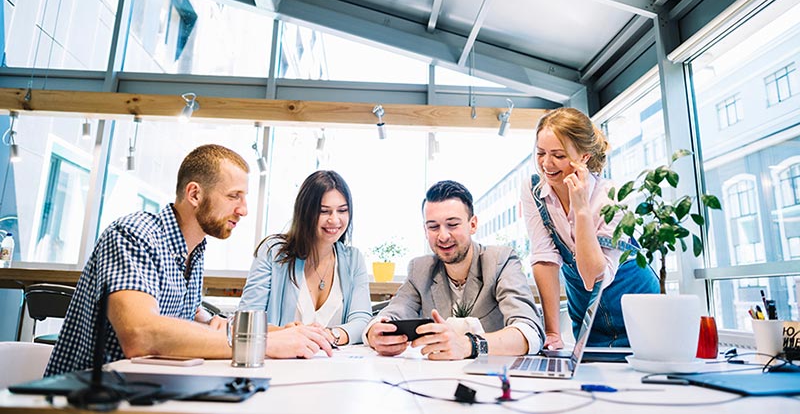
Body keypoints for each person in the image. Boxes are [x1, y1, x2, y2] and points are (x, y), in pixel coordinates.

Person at [46, 144, 332, 376]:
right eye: (234, 196)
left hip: (141, 389)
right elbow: (141, 334)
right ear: (194, 193)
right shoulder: (134, 234)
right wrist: (262, 344)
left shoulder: (193, 250)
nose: (243, 210)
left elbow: (201, 322)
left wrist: (281, 333)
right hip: (85, 398)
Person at [521, 107, 659, 350]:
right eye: (540, 153)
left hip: (637, 309)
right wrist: (553, 333)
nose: (546, 163)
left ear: (583, 157)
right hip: (587, 316)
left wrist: (582, 209)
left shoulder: (612, 197)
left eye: (559, 156)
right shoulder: (534, 191)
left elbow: (593, 277)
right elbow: (544, 258)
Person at [365, 180, 544, 360]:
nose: (443, 236)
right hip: (436, 377)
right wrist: (375, 332)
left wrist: (469, 345)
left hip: (493, 376)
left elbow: (529, 332)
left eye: (452, 224)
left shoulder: (501, 261)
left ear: (472, 224)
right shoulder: (419, 269)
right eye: (433, 227)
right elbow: (394, 312)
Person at [238, 170, 371, 346]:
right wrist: (286, 334)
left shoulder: (354, 260)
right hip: (280, 364)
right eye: (324, 211)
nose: (334, 219)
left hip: (334, 365)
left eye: (342, 210)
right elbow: (247, 319)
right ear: (305, 212)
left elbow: (361, 320)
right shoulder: (273, 252)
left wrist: (331, 335)